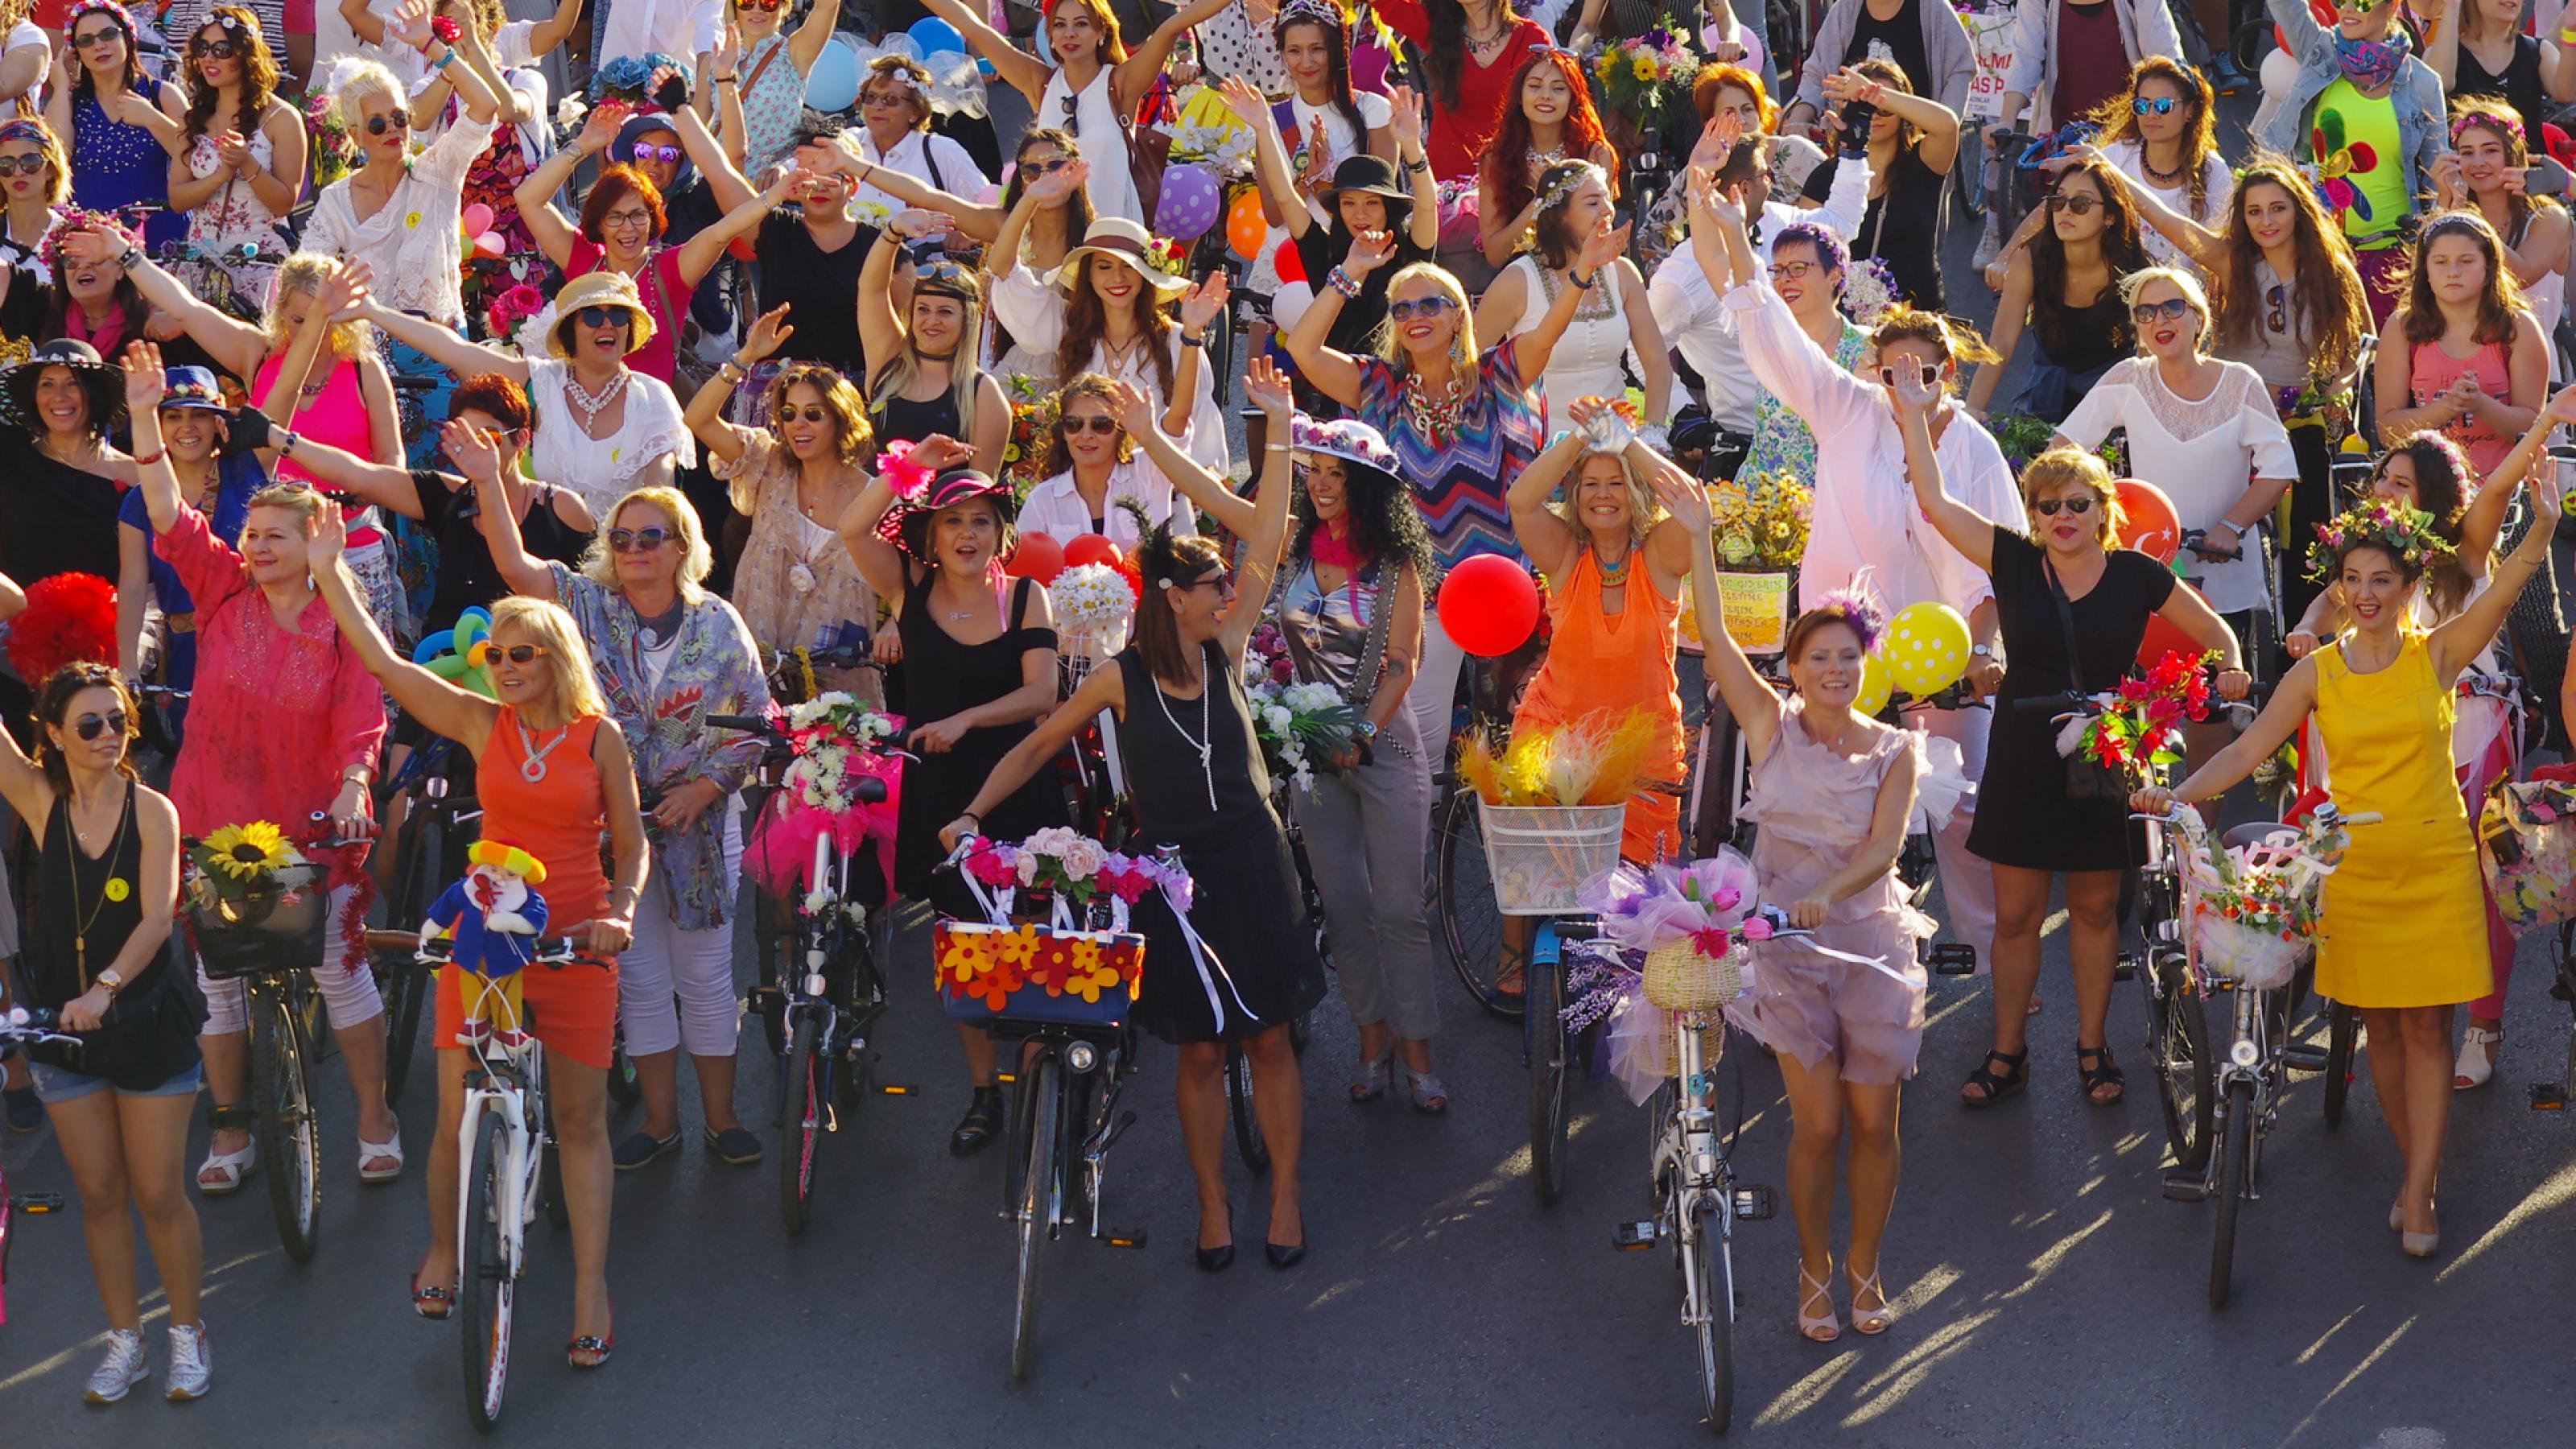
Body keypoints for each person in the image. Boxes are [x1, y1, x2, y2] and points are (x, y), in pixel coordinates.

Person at [941, 357, 1327, 1270]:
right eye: (1211, 587)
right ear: (1172, 600)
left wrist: (1276, 428)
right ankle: (1211, 1204)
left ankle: (1283, 1195)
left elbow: (1268, 532)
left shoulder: (1228, 645)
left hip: (1253, 859)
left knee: (1271, 1041)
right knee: (1199, 1055)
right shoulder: (1119, 678)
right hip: (1175, 880)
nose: (1228, 593)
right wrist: (971, 813)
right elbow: (1036, 744)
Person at [2132, 477, 2562, 1256]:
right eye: (2353, 580)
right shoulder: (2316, 672)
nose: (2365, 594)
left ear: (2407, 586)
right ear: (2338, 587)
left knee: (2428, 1029)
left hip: (2434, 862)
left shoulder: (2439, 653)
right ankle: (2415, 1173)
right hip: (2355, 871)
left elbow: (2503, 590)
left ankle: (2420, 1191)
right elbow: (2246, 749)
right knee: (2383, 1035)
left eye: (2381, 580)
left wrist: (2543, 525)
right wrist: (2176, 795)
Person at [310, 514, 645, 1363]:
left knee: (580, 1121)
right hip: (485, 940)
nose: (503, 666)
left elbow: (632, 843)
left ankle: (591, 1289)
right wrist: (327, 569)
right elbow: (384, 663)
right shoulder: (479, 721)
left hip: (576, 939)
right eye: (495, 655)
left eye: (521, 653)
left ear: (557, 658)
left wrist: (622, 913)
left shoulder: (599, 738)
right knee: (455, 1113)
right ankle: (443, 1250)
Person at [1702, 175, 2011, 976]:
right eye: (1892, 372)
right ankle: (1828, 961)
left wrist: (1982, 652)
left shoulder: (1973, 448)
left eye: (1923, 375)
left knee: (1965, 814)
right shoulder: (1844, 409)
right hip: (1847, 657)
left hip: (1949, 661)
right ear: (1872, 371)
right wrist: (1733, 235)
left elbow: (1998, 563)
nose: (1907, 388)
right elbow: (1778, 340)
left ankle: (1988, 965)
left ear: (1948, 372)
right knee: (1836, 818)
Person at [119, 349, 402, 1193]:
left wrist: (354, 783)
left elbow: (362, 715)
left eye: (277, 535)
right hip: (217, 815)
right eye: (252, 534)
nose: (258, 546)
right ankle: (232, 1129)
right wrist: (143, 419)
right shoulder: (220, 590)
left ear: (315, 545)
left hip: (315, 824)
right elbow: (167, 514)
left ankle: (376, 1119)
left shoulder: (342, 619)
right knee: (220, 984)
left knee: (336, 972)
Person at [1904, 426, 2248, 1106]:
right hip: (2023, 752)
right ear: (2032, 515)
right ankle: (2008, 1054)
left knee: (2093, 912)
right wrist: (1913, 414)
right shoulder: (2012, 560)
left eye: (2077, 503)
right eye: (2048, 505)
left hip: (2106, 751)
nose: (2063, 516)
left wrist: (2231, 666)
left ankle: (2094, 1049)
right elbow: (1935, 503)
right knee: (2015, 917)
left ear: (2102, 510)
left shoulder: (2137, 574)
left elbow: (2217, 632)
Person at [1145, 394, 1445, 1108]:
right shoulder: (1294, 546)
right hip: (1310, 753)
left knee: (1400, 910)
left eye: (1338, 474)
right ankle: (1371, 1042)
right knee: (1342, 906)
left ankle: (1418, 1053)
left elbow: (1402, 663)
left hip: (1383, 747)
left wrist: (1359, 735)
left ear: (1367, 486)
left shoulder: (1398, 565)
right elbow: (1216, 498)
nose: (1322, 484)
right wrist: (1145, 433)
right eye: (1316, 472)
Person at [472, 473, 773, 1168]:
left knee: (704, 978)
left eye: (650, 537)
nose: (634, 549)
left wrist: (703, 788)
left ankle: (722, 1119)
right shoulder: (587, 605)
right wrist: (489, 479)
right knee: (638, 981)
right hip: (610, 829)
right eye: (622, 538)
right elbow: (514, 565)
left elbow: (758, 721)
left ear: (682, 547)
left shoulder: (719, 623)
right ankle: (660, 1123)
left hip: (702, 822)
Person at [2282, 408, 2576, 1090]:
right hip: (2381, 729)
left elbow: (2499, 485)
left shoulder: (2464, 547)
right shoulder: (2371, 557)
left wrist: (2545, 423)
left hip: (2471, 733)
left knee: (2482, 878)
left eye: (2402, 482)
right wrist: (2303, 627)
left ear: (2435, 494)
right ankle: (2377, 1004)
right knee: (2363, 862)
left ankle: (2483, 1025)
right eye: (2381, 479)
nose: (2384, 491)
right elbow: (2327, 604)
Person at [1690, 539, 1926, 1342]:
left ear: (1865, 663)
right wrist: (1698, 536)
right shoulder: (1769, 726)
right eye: (1818, 657)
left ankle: (1865, 1265)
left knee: (1875, 1125)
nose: (1835, 669)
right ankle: (1812, 1265)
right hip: (1786, 951)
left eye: (1848, 656)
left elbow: (1884, 851)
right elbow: (1715, 639)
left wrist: (1827, 894)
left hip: (1871, 949)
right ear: (1791, 668)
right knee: (1818, 1126)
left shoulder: (1896, 750)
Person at [838, 438, 1063, 1154]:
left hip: (1020, 786)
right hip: (939, 794)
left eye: (981, 521)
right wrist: (911, 466)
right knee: (967, 946)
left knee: (1028, 941)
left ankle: (1037, 1088)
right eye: (952, 521)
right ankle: (984, 1094)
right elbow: (852, 526)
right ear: (930, 536)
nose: (968, 534)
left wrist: (966, 719)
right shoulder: (907, 587)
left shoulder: (1026, 595)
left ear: (1000, 533)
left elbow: (1042, 693)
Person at [1281, 243, 1584, 753]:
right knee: (1421, 740)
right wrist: (1350, 272)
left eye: (1429, 305)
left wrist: (1583, 271)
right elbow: (1304, 350)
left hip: (1505, 583)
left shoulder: (1496, 375)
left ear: (1457, 315)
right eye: (1401, 309)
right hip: (1420, 590)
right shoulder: (1380, 387)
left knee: (1512, 734)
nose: (1414, 317)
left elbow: (1547, 333)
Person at [0, 664, 205, 1402]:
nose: (107, 735)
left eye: (117, 720)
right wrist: (78, 1003)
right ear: (54, 735)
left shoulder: (153, 810)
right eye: (88, 724)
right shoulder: (41, 801)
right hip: (65, 1030)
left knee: (158, 1193)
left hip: (145, 1020)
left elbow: (157, 917)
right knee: (99, 1194)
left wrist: (104, 988)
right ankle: (126, 1343)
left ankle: (187, 1335)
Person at [2090, 151, 2371, 629]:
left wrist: (2333, 390)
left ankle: (2299, 643)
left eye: (2278, 208)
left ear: (2299, 210)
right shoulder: (2231, 262)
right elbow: (2167, 221)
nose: (2267, 221)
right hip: (2225, 415)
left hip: (2301, 419)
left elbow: (2362, 346)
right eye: (2254, 211)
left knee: (2309, 542)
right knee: (2199, 522)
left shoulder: (2333, 270)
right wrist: (2107, 168)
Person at [2054, 267, 2298, 686]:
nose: (2159, 320)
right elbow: (2061, 454)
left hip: (2226, 569)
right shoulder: (2128, 377)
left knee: (2221, 700)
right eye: (2145, 312)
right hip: (2151, 568)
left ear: (2198, 318)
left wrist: (2231, 527)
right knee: (2151, 701)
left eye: (2171, 307)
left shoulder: (2240, 383)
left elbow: (2279, 469)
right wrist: (2100, 503)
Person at [254, 372, 596, 638]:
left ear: (521, 438)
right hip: (447, 665)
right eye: (464, 437)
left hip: (532, 665)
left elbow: (592, 603)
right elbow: (358, 474)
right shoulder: (447, 494)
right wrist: (274, 436)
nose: (475, 449)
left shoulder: (561, 508)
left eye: (488, 438)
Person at [299, 11, 502, 459]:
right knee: (384, 480)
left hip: (443, 360)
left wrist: (433, 47)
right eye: (377, 124)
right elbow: (306, 275)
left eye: (399, 118)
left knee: (449, 477)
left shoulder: (438, 171)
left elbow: (485, 106)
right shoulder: (336, 200)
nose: (392, 129)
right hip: (370, 365)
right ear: (356, 135)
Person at [351, 267, 702, 518]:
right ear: (570, 331)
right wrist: (372, 311)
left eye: (619, 316)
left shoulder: (653, 396)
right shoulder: (542, 382)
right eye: (593, 316)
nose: (608, 324)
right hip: (547, 560)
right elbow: (452, 349)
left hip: (626, 558)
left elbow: (661, 494)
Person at [684, 303, 883, 703]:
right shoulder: (767, 463)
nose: (798, 425)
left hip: (836, 675)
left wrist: (895, 624)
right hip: (759, 665)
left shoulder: (874, 496)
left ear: (841, 419)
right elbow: (698, 419)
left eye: (814, 414)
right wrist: (744, 358)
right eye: (789, 414)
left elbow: (908, 580)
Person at [1658, 127, 1873, 483]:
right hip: (1761, 498)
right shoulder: (1769, 337)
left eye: (1799, 269)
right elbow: (1714, 258)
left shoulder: (1865, 350)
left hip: (1837, 498)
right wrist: (1700, 178)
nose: (1786, 280)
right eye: (1779, 270)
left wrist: (1853, 154)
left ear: (1835, 274)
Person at [1219, 76, 1439, 419]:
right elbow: (1286, 198)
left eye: (1372, 203)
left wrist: (1413, 149)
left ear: (1388, 209)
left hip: (1405, 399)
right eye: (1349, 203)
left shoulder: (1409, 251)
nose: (1360, 214)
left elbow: (1427, 206)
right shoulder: (1323, 248)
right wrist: (1264, 129)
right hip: (1337, 400)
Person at [514, 109, 779, 390]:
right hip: (584, 414)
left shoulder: (671, 269)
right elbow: (527, 198)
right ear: (599, 224)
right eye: (615, 217)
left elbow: (723, 230)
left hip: (655, 415)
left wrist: (775, 195)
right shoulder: (584, 260)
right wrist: (583, 145)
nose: (628, 228)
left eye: (638, 215)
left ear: (653, 220)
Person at [913, 0, 1230, 224]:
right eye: (1060, 25)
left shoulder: (1120, 84)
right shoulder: (1039, 82)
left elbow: (1172, 26)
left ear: (1102, 32)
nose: (1069, 34)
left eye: (1081, 24)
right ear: (1049, 35)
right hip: (1051, 242)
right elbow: (973, 26)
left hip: (1112, 244)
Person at [988, 214, 1231, 485]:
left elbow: (1197, 429)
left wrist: (1196, 495)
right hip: (1084, 492)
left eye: (1128, 266)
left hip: (1160, 490)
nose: (1117, 277)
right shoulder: (1069, 330)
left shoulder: (1178, 340)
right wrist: (1031, 199)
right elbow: (1003, 270)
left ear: (1145, 274)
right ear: (1089, 276)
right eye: (1104, 267)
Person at [2260, 0, 2446, 324]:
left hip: (2395, 256)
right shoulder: (2319, 53)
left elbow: (2436, 180)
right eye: (2339, 0)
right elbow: (2286, 7)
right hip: (2320, 249)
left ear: (2392, 6)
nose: (2347, 9)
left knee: (2383, 352)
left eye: (2361, 2)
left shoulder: (2424, 82)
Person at [1474, 160, 1676, 429]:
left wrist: (1653, 431)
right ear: (1560, 216)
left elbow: (1657, 363)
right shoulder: (1517, 280)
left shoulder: (1623, 273)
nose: (1607, 210)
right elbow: (1466, 365)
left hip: (1616, 443)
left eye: (1607, 199)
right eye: (1593, 202)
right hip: (1542, 446)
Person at [112, 365, 262, 722]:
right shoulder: (139, 501)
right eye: (174, 416)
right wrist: (127, 665)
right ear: (158, 426)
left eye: (199, 415)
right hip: (185, 650)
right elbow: (133, 585)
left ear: (218, 422)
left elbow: (288, 392)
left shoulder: (248, 470)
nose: (187, 427)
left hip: (257, 642)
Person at [1967, 157, 2149, 421]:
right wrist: (1972, 410)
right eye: (2058, 201)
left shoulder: (2136, 270)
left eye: (2081, 204)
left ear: (2110, 216)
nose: (2066, 211)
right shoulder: (2029, 260)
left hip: (2113, 393)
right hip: (2046, 389)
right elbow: (2001, 344)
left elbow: (2148, 357)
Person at [2372, 210, 2548, 477]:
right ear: (2425, 270)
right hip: (2427, 487)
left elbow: (2534, 429)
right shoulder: (2402, 328)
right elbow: (2387, 431)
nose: (2453, 272)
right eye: (2440, 262)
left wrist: (2480, 404)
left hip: (2504, 484)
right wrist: (2446, 408)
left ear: (2489, 268)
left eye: (2466, 261)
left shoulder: (2519, 327)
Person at [167, 6, 303, 313]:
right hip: (200, 263)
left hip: (260, 265)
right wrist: (219, 176)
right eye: (202, 48)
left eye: (222, 50)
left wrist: (247, 163)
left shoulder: (282, 119)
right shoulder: (194, 118)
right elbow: (177, 199)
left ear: (246, 55)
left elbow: (284, 203)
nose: (209, 58)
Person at [856, 215, 1009, 473]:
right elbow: (872, 289)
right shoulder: (889, 362)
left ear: (967, 320)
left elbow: (980, 486)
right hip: (877, 498)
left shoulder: (982, 392)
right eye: (923, 309)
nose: (932, 321)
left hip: (944, 499)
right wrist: (893, 231)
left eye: (945, 312)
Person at [1814, 60, 1961, 311]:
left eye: (1884, 108)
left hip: (1919, 315)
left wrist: (1873, 92)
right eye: (1863, 106)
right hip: (1847, 320)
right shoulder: (1824, 176)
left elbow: (1948, 125)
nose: (1874, 115)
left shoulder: (1924, 161)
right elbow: (1809, 250)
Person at [2435, 101, 2570, 373]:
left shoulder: (2549, 217)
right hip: (2464, 363)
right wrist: (2443, 205)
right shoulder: (2451, 211)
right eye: (2467, 153)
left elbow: (2521, 276)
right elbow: (2428, 282)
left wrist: (2465, 217)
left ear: (2513, 155)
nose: (2478, 162)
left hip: (2532, 363)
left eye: (2490, 151)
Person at [45, 0, 185, 249]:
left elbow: (196, 158)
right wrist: (61, 85)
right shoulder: (70, 102)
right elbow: (57, 161)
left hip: (159, 235)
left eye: (108, 34)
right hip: (91, 239)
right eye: (86, 40)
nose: (99, 46)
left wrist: (152, 118)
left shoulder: (162, 94)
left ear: (128, 37)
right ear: (76, 51)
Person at [1360, 0, 1550, 183]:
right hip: (1445, 182)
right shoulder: (1438, 29)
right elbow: (1389, 4)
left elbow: (1547, 115)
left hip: (1508, 178)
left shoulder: (1531, 39)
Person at [1014, 369, 1199, 547]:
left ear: (1120, 431)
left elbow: (1180, 415)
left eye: (1100, 425)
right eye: (1074, 424)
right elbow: (1021, 561)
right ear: (1063, 431)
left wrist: (1191, 344)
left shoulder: (1147, 472)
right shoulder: (1042, 500)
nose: (1086, 435)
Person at [1474, 48, 1620, 270]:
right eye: (1534, 86)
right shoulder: (1495, 159)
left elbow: (1599, 237)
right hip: (1520, 276)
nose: (1546, 96)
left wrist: (1562, 192)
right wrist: (1542, 198)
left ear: (1573, 98)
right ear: (1519, 96)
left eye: (1558, 88)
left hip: (1581, 273)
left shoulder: (1596, 155)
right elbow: (1495, 255)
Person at [1991, 0, 2185, 144]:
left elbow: (2165, 62)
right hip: (2060, 138)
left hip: (2128, 142)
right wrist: (2006, 121)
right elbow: (2026, 58)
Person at [843, 52, 991, 226]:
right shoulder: (845, 144)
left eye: (890, 99)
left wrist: (963, 236)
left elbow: (988, 216)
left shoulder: (942, 151)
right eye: (870, 97)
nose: (877, 106)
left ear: (915, 112)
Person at [1782, 0, 1975, 130]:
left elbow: (1959, 70)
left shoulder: (1933, 9)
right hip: (1850, 149)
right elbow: (1817, 76)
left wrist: (1941, 135)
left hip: (1917, 151)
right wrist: (1799, 119)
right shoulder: (1845, 10)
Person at [2424, 0, 2576, 151]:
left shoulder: (2537, 50)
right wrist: (2452, 6)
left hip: (2529, 166)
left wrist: (2571, 31)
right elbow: (2440, 85)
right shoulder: (2442, 55)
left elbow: (2565, 92)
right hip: (2471, 166)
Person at [726, 0, 843, 174]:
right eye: (746, 2)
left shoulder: (792, 53)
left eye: (768, 3)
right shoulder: (716, 58)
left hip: (769, 182)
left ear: (784, 7)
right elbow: (700, 126)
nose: (756, 10)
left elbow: (827, 6)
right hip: (714, 180)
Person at [0, 116, 69, 279]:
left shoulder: (71, 236)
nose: (18, 172)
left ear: (50, 169)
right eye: (6, 165)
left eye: (30, 162)